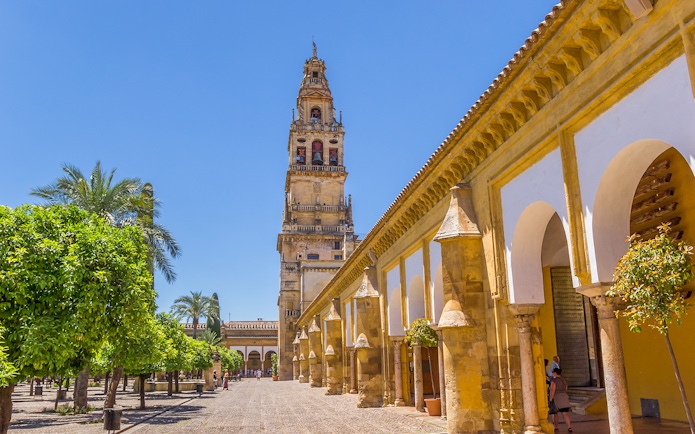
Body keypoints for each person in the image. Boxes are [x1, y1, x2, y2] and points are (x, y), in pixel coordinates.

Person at [549, 368, 573, 432]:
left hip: (556, 398)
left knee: (554, 413)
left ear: (555, 373)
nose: (552, 373)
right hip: (564, 397)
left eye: (553, 372)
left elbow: (552, 391)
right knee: (564, 413)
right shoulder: (563, 380)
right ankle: (569, 427)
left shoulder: (554, 381)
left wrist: (550, 399)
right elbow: (566, 389)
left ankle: (556, 426)